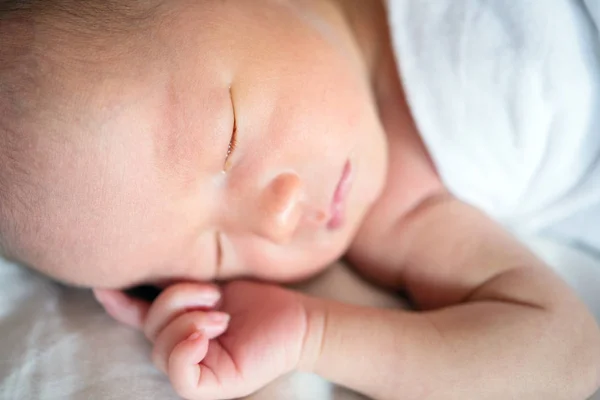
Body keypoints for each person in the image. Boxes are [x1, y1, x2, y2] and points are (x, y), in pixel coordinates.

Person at [1, 0, 599, 399]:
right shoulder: (402, 209)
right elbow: (570, 361)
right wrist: (311, 333)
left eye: (229, 138)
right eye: (217, 251)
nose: (277, 220)